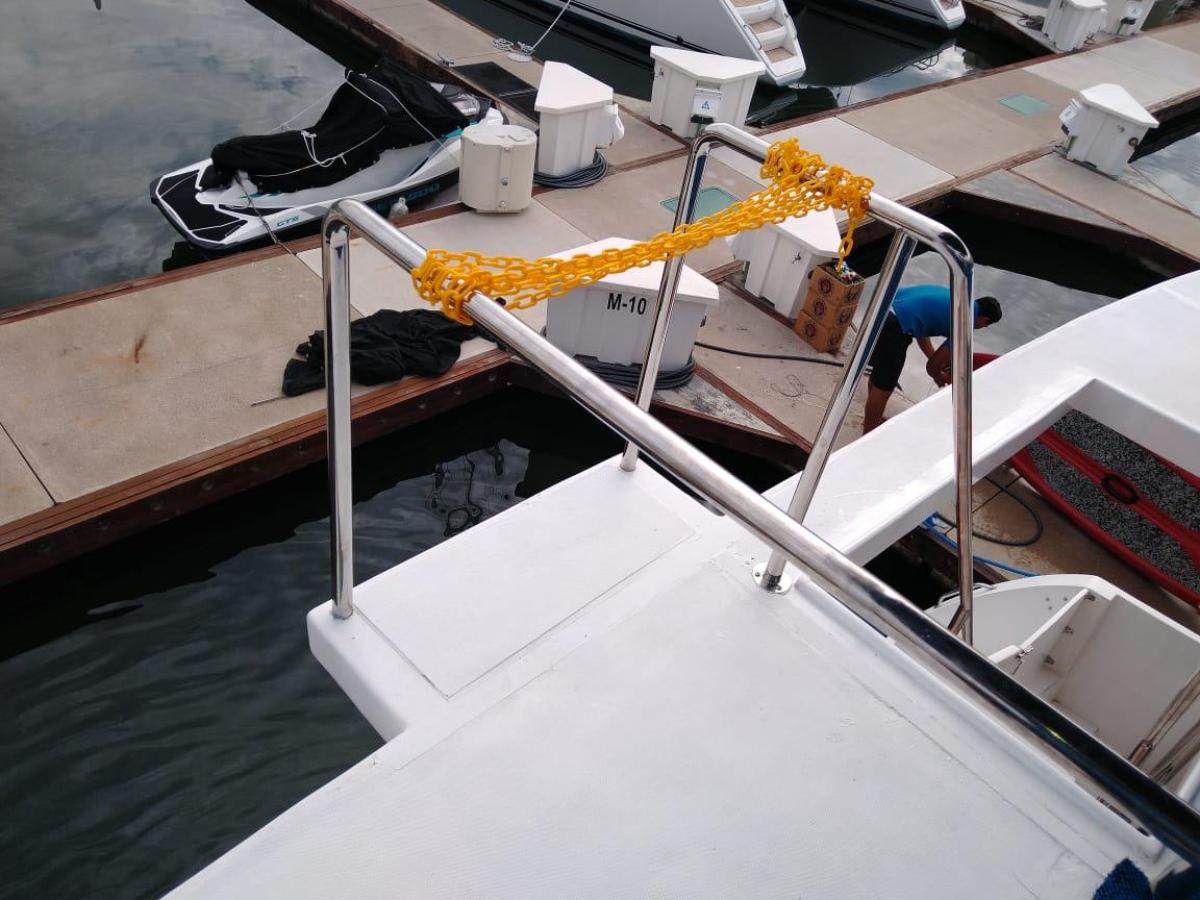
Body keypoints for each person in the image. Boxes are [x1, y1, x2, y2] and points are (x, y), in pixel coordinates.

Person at [863, 285, 1001, 434]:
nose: (983, 327)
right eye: (986, 325)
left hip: (882, 309)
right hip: (893, 326)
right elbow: (932, 367)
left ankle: (872, 419)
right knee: (884, 387)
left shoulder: (958, 299)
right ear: (985, 320)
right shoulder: (965, 323)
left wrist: (936, 359)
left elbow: (921, 329)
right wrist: (940, 378)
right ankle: (867, 436)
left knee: (879, 373)